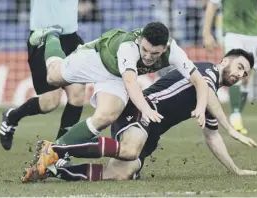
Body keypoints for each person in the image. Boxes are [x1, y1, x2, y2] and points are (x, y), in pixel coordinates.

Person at [20, 49, 257, 183]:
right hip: (140, 111)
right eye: (240, 67)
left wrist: (235, 170)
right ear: (225, 61)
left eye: (245, 73)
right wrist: (230, 128)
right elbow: (205, 90)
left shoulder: (211, 97)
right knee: (130, 151)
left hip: (150, 132)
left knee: (123, 172)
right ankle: (56, 150)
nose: (241, 74)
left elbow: (212, 137)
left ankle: (53, 170)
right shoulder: (207, 71)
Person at [27, 22, 209, 152]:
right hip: (94, 59)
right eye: (144, 50)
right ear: (140, 41)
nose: (147, 56)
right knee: (52, 77)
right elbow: (130, 83)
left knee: (106, 116)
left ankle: (53, 152)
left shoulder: (174, 51)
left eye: (154, 53)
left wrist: (200, 107)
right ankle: (51, 35)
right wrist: (145, 109)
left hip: (114, 76)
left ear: (164, 48)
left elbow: (199, 81)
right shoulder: (128, 46)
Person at [0, 0, 86, 150]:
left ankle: (59, 152)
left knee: (77, 95)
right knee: (50, 102)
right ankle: (13, 116)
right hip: (43, 37)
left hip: (71, 38)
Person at [203, 0, 257, 134]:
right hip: (231, 32)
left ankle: (237, 112)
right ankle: (235, 115)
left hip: (253, 34)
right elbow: (212, 5)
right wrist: (206, 33)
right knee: (233, 69)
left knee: (246, 77)